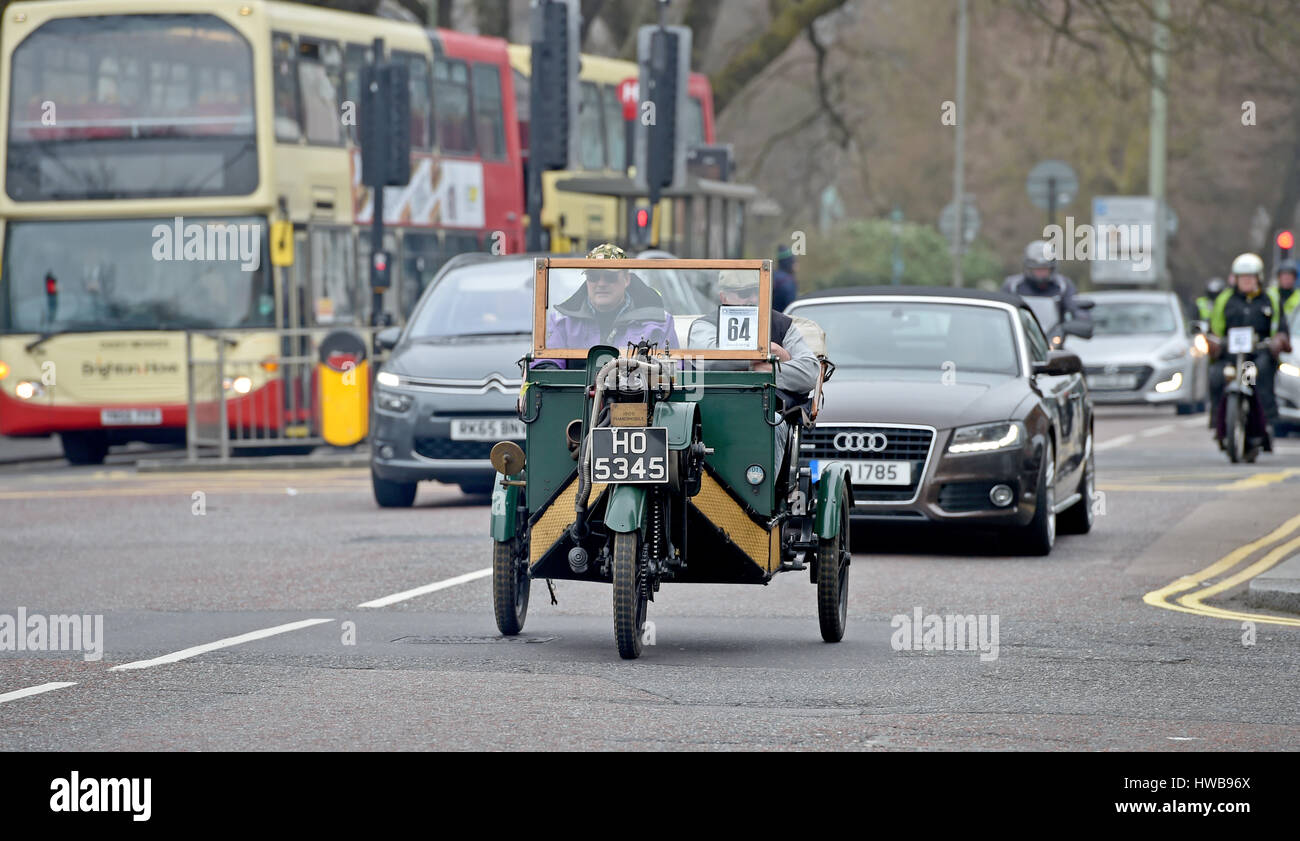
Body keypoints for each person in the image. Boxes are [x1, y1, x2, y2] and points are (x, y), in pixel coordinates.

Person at [539, 243, 678, 366]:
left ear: (626, 279)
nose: (601, 284)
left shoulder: (659, 323)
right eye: (593, 277)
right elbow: (546, 367)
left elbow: (675, 371)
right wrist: (547, 367)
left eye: (610, 277)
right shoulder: (562, 322)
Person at [1209, 252, 1292, 454]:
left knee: (1259, 376)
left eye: (1250, 277)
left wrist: (1277, 341)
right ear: (1235, 279)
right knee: (1216, 376)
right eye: (1242, 277)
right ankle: (1219, 426)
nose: (1246, 281)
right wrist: (1213, 343)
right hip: (1231, 355)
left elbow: (1281, 329)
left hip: (1257, 354)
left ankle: (1265, 425)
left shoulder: (1270, 298)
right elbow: (1215, 330)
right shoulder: (1225, 299)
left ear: (1258, 278)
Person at [1001, 239, 1087, 326]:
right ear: (1029, 268)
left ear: (1052, 268)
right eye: (1037, 269)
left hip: (1055, 335)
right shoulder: (1012, 286)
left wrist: (1080, 321)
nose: (1041, 273)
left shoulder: (1063, 286)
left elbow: (1077, 310)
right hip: (1022, 334)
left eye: (1045, 269)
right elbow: (1002, 314)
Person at [1268, 259, 1300, 325]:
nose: (1287, 278)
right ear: (1278, 277)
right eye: (1284, 275)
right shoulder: (1270, 294)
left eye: (1290, 275)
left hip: (1294, 333)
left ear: (1295, 278)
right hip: (1273, 334)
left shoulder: (1298, 296)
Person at [773, 245, 798, 313]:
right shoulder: (788, 282)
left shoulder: (772, 276)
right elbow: (791, 306)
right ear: (789, 263)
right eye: (794, 262)